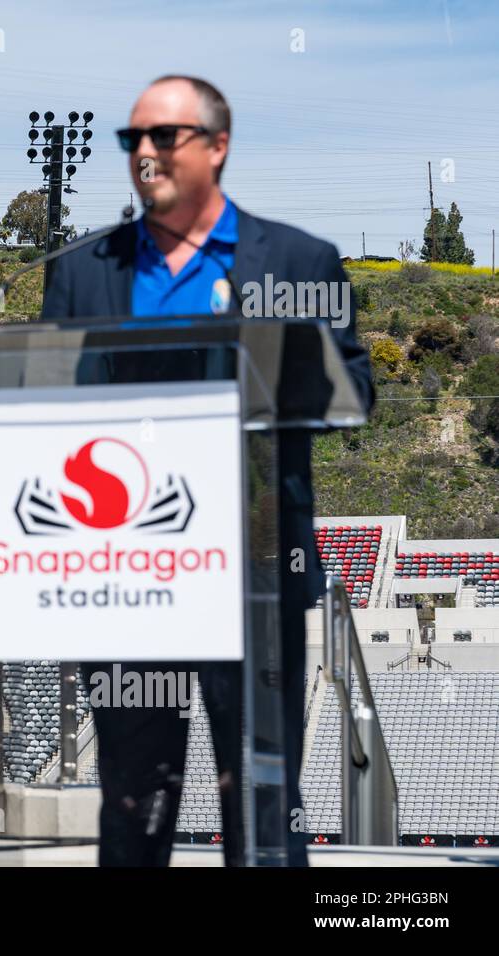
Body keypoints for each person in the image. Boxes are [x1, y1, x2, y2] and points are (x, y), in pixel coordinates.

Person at [41, 75, 373, 867]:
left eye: (164, 137)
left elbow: (354, 388)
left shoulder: (299, 260)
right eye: (133, 140)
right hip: (126, 573)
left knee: (262, 804)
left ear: (217, 146)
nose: (144, 154)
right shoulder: (83, 270)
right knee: (132, 803)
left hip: (252, 571)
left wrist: (283, 373)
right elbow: (48, 399)